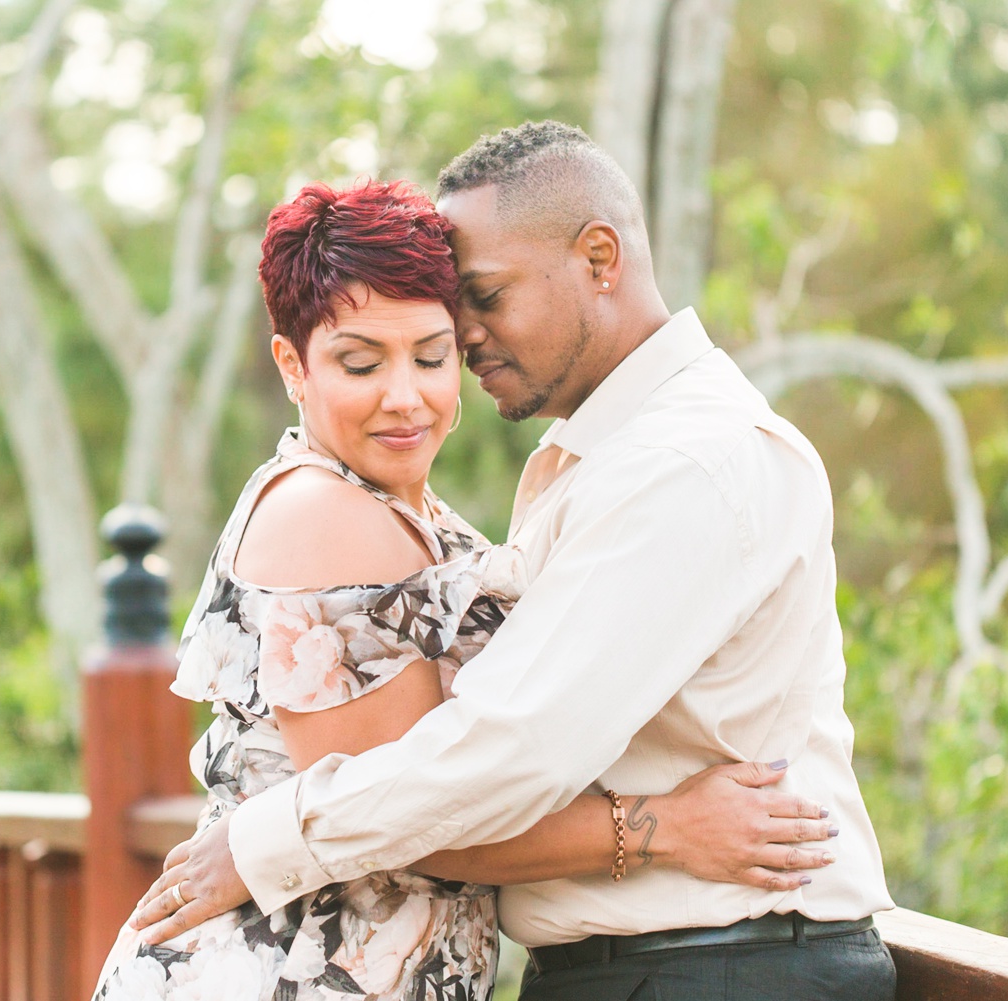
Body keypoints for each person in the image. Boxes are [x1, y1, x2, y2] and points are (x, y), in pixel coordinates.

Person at [131, 124, 897, 1001]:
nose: (468, 341)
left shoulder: (683, 462)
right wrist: (662, 828)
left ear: (599, 258)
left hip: (715, 964)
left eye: (480, 304)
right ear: (293, 368)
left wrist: (267, 841)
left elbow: (513, 750)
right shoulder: (585, 463)